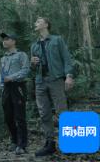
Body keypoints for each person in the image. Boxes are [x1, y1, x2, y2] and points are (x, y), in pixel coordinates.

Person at [30, 17, 74, 157]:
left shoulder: (57, 40)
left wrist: (69, 76)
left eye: (38, 21)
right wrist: (33, 63)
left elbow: (66, 58)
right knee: (44, 113)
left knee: (62, 111)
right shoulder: (34, 45)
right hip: (40, 81)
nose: (35, 23)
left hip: (56, 80)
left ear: (46, 24)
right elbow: (32, 68)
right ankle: (50, 144)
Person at [0, 32, 30, 155]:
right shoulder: (3, 58)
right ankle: (14, 140)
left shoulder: (21, 55)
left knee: (19, 116)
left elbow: (26, 70)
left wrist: (12, 77)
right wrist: (1, 86)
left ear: (14, 41)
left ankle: (22, 144)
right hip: (6, 88)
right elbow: (0, 74)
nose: (4, 41)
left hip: (18, 87)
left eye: (7, 39)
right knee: (8, 117)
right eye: (3, 39)